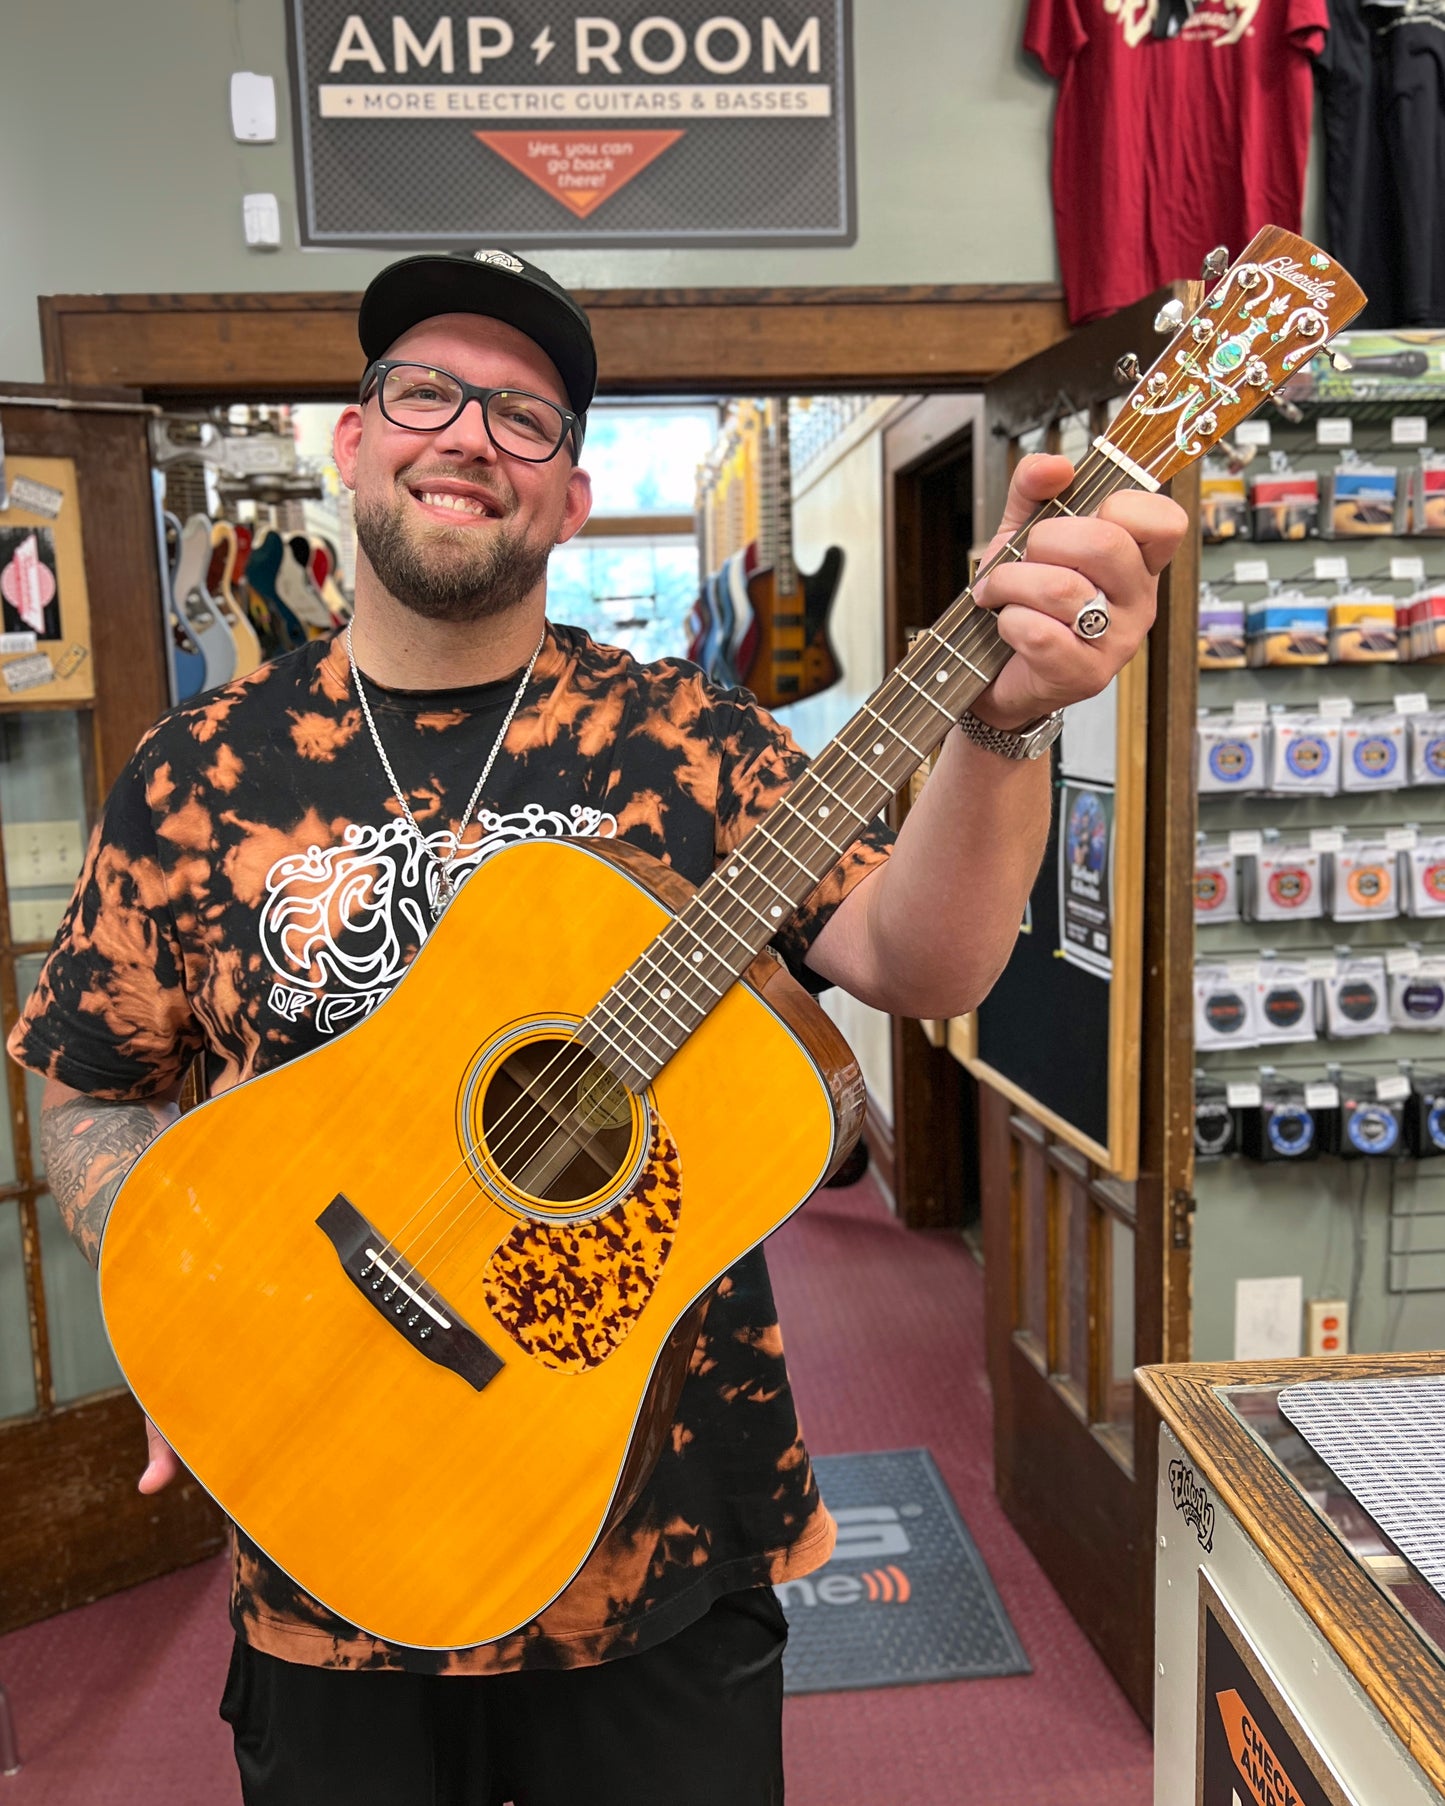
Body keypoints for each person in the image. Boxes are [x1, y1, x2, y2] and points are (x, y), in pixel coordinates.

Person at [9, 249, 1186, 1805]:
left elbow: (921, 960)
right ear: (353, 443)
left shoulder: (686, 739)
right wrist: (183, 1287)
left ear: (569, 495)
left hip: (664, 1539)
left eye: (524, 416)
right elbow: (85, 1083)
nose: (467, 434)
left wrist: (1007, 718)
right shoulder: (196, 769)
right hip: (324, 1541)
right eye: (422, 391)